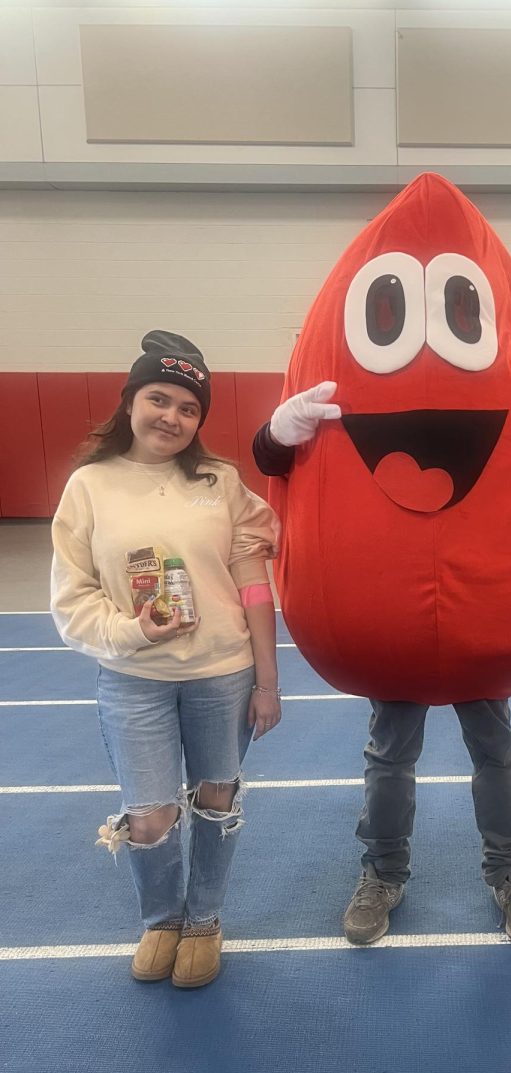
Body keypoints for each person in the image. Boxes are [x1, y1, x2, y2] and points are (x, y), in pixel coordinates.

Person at [252, 389, 511, 947]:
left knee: (495, 750)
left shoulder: (479, 378)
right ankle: (383, 872)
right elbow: (272, 458)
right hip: (397, 611)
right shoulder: (368, 387)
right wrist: (273, 433)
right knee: (390, 753)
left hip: (474, 607)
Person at [50, 330, 281, 987]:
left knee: (216, 798)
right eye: (159, 399)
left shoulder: (222, 483)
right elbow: (71, 600)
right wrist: (133, 632)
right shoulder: (88, 487)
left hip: (222, 675)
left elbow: (255, 587)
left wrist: (268, 680)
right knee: (150, 815)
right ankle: (161, 919)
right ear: (129, 402)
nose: (172, 417)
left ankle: (203, 919)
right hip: (133, 681)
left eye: (188, 409)